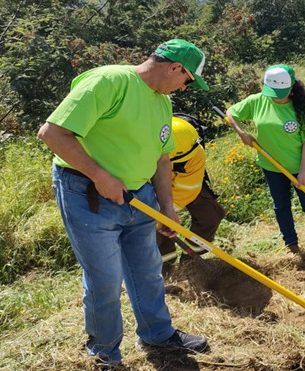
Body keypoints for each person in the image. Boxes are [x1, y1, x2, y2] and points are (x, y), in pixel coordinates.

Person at [37, 39, 211, 368]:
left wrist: (167, 207)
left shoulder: (162, 102)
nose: (183, 88)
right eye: (187, 81)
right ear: (175, 68)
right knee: (104, 281)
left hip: (139, 196)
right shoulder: (110, 81)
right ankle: (105, 355)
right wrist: (100, 176)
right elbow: (51, 133)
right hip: (87, 194)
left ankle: (158, 334)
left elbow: (162, 158)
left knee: (147, 271)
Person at [227, 64, 305, 261]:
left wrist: (302, 173)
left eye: (280, 93)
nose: (276, 97)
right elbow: (231, 112)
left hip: (303, 167)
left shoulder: (302, 109)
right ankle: (291, 246)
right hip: (272, 166)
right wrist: (242, 134)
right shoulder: (258, 101)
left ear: (292, 88)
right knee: (281, 206)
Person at [157, 116, 226, 272]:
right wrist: (159, 215)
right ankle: (165, 268)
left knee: (211, 215)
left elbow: (189, 188)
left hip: (184, 183)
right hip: (152, 185)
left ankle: (189, 264)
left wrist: (168, 210)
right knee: (154, 226)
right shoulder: (145, 150)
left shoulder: (194, 151)